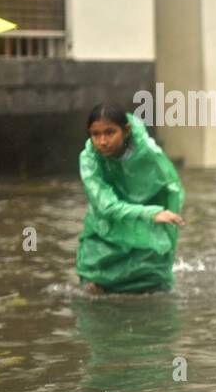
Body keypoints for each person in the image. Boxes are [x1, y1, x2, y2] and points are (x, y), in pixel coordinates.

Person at [77, 103, 185, 293]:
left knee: (154, 287)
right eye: (96, 134)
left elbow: (172, 189)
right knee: (93, 285)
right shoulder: (89, 159)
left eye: (110, 133)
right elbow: (106, 207)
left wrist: (165, 224)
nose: (102, 141)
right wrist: (151, 214)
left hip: (147, 229)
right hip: (106, 227)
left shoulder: (149, 153)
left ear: (126, 131)